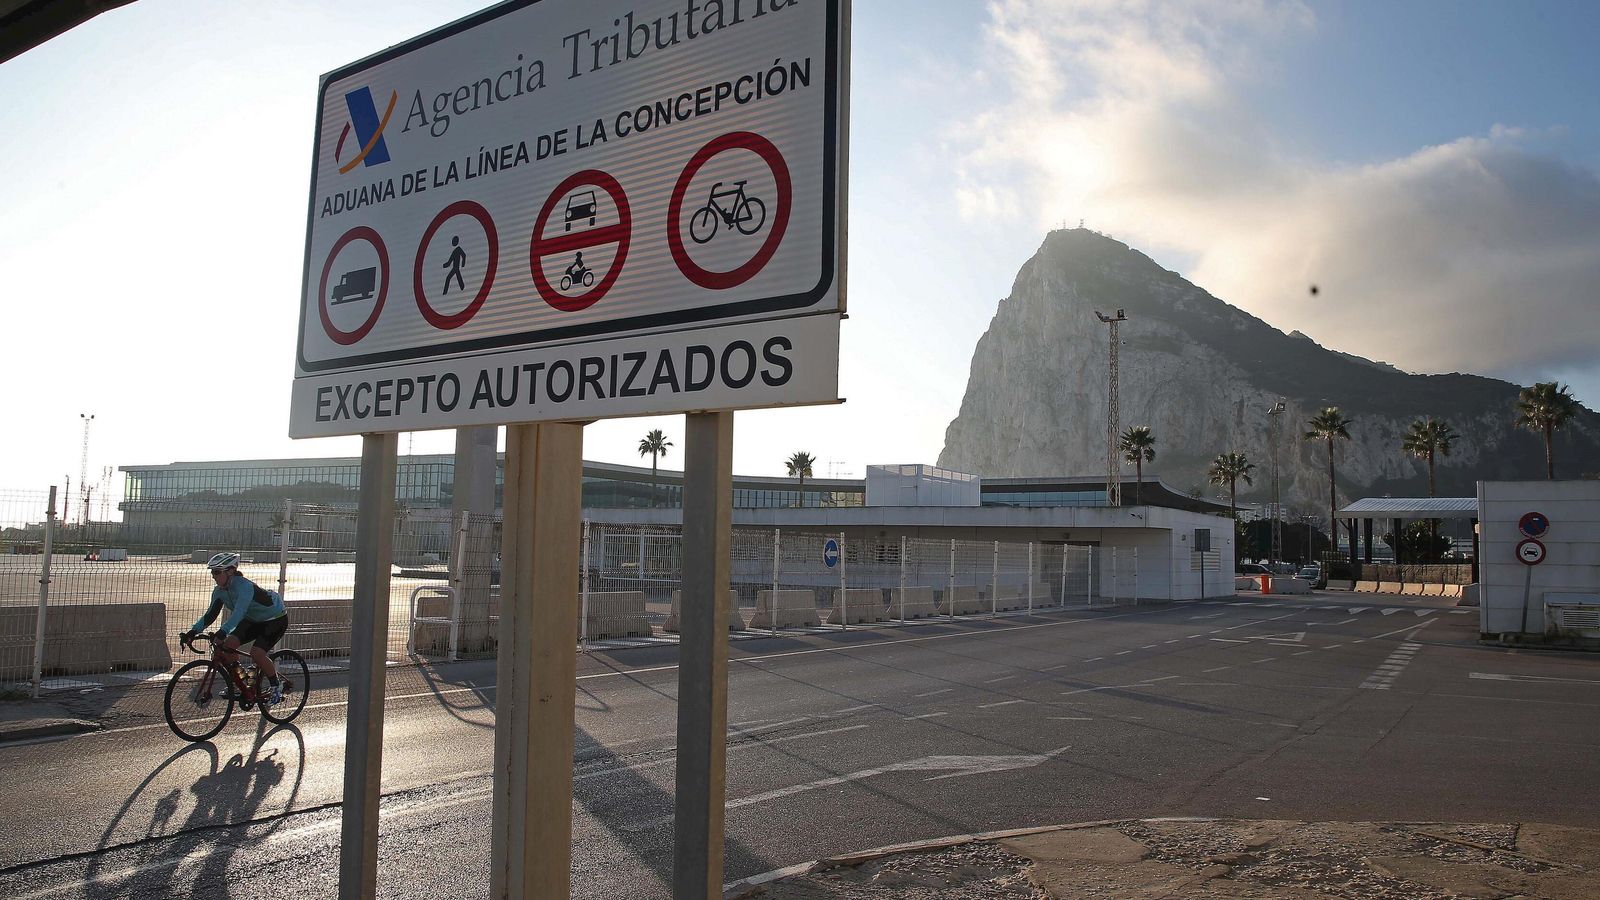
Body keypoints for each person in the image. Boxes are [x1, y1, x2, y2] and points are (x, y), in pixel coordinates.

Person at [183, 552, 290, 704]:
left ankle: (276, 687)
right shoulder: (219, 591)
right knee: (228, 645)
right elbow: (210, 615)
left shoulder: (244, 587)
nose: (213, 575)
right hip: (253, 619)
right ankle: (242, 682)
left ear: (230, 571)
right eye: (212, 572)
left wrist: (223, 631)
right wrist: (192, 632)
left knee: (257, 653)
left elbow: (239, 612)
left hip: (275, 619)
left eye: (217, 572)